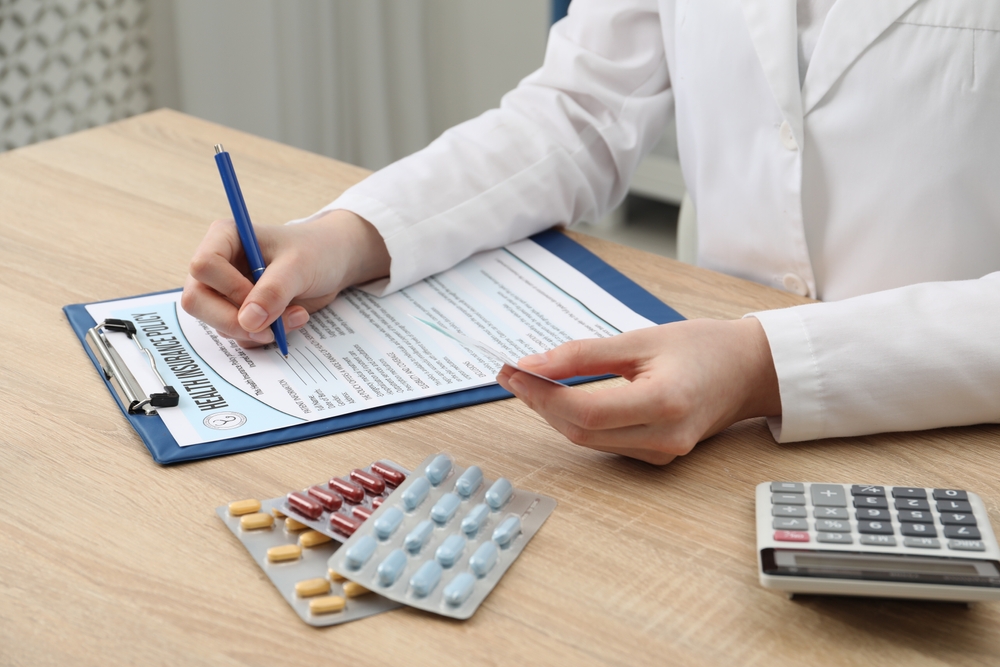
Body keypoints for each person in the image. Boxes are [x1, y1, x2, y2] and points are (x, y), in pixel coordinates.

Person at [182, 0, 1000, 465]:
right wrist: (352, 236)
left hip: (952, 435)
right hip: (693, 437)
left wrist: (764, 367)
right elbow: (581, 109)